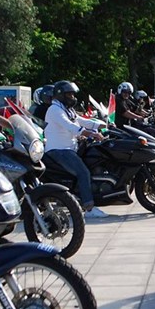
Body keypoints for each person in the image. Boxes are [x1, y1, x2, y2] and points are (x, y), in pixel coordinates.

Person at [44, 80, 108, 218]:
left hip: (70, 148)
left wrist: (105, 125)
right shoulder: (54, 110)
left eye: (73, 94)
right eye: (70, 94)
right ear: (61, 95)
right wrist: (91, 133)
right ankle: (89, 208)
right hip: (59, 150)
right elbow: (71, 126)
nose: (73, 97)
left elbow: (82, 121)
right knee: (83, 172)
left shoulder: (66, 109)